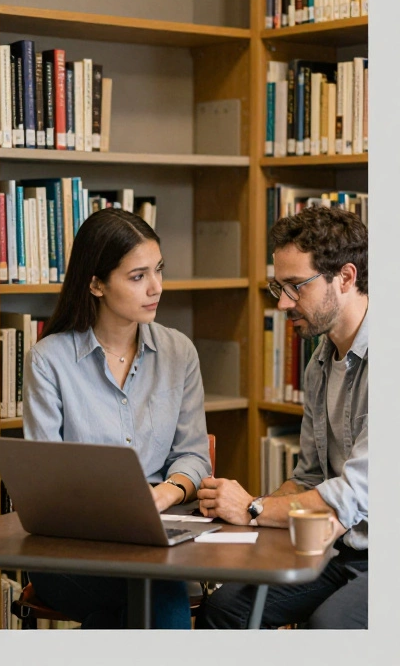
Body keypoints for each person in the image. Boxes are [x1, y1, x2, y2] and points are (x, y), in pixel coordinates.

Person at [21, 207, 210, 629]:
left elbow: (194, 456)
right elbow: (44, 479)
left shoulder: (180, 353)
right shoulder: (49, 361)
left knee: (142, 596)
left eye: (158, 270)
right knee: (155, 592)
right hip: (70, 550)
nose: (156, 287)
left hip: (158, 539)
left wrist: (165, 493)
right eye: (138, 276)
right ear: (95, 283)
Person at [197, 206, 367, 629]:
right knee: (225, 608)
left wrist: (253, 509)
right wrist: (235, 519)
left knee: (328, 627)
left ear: (346, 278)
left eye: (296, 286)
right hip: (339, 548)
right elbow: (309, 478)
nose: (283, 303)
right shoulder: (319, 364)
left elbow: (351, 497)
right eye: (279, 286)